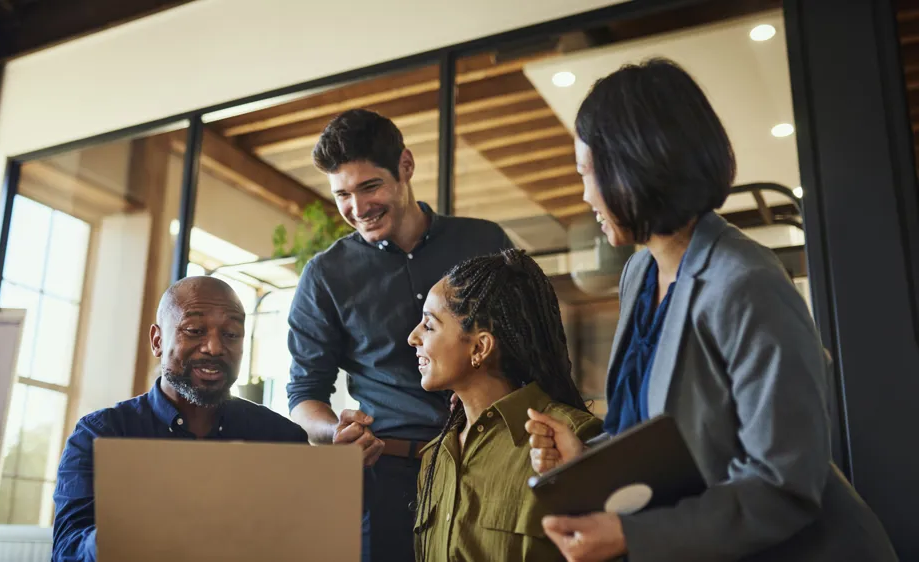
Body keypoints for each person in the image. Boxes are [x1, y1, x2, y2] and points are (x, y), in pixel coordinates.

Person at [525, 58, 898, 562]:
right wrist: (585, 458)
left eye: (588, 174)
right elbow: (666, 434)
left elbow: (782, 483)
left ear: (634, 166)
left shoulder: (748, 284)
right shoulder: (639, 273)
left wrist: (632, 536)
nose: (586, 195)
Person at [286, 108, 513, 562]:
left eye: (370, 186)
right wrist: (334, 432)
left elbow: (534, 346)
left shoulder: (485, 243)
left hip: (492, 462)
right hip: (386, 479)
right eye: (342, 195)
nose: (357, 208)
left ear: (405, 167)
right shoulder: (325, 276)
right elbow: (304, 395)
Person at [52, 276, 308, 562]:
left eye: (231, 334)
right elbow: (67, 550)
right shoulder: (100, 435)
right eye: (195, 330)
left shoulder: (282, 439)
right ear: (158, 340)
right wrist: (118, 533)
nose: (214, 347)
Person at [408, 249, 601, 562]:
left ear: (480, 347)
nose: (412, 337)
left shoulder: (569, 438)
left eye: (429, 326)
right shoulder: (435, 457)